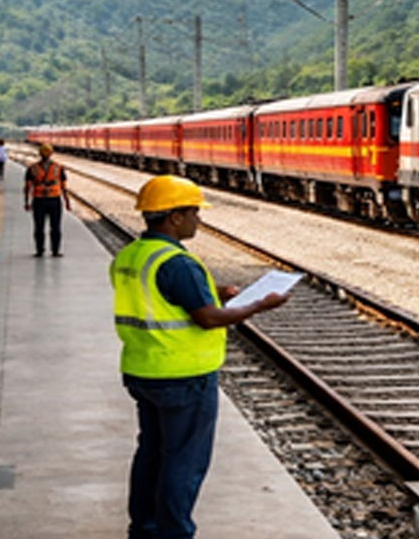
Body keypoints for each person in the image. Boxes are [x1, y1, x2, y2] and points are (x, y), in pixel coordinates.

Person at [112, 175, 288, 539]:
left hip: (143, 370)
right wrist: (258, 305)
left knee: (151, 454)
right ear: (174, 217)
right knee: (183, 461)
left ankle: (143, 528)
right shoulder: (176, 262)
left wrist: (215, 291)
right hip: (184, 376)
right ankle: (174, 533)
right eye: (194, 212)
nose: (199, 220)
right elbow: (206, 318)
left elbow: (163, 299)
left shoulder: (132, 255)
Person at [24, 144, 71, 257]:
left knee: (39, 227)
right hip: (54, 200)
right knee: (55, 227)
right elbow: (64, 187)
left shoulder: (32, 168)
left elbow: (27, 187)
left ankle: (40, 250)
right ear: (51, 154)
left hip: (39, 200)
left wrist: (26, 202)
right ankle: (55, 250)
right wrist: (67, 202)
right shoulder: (58, 168)